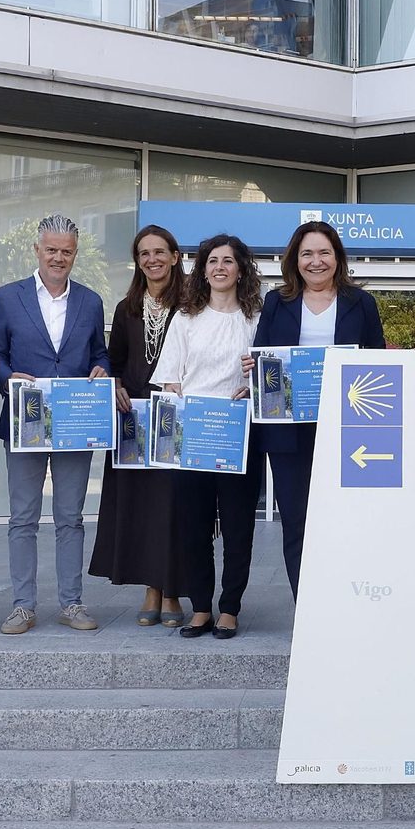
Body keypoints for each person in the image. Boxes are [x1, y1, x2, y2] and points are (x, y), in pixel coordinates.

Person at [245, 221, 386, 597]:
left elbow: (376, 366)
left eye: (324, 252)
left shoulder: (362, 304)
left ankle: (345, 598)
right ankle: (306, 604)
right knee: (296, 520)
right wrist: (254, 368)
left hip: (348, 430)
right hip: (289, 432)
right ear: (296, 259)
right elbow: (262, 355)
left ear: (337, 258)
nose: (316, 261)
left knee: (346, 518)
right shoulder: (277, 301)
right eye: (307, 253)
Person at [0, 213, 110, 635]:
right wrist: (6, 377)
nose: (59, 257)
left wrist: (99, 369)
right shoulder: (7, 297)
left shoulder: (91, 301)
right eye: (52, 249)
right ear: (37, 250)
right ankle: (23, 606)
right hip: (26, 420)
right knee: (22, 517)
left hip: (75, 422)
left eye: (67, 251)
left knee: (70, 517)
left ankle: (71, 603)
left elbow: (101, 353)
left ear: (75, 254)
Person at [153, 234, 264, 640]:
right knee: (193, 527)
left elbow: (269, 375)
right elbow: (169, 377)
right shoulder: (185, 317)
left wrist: (255, 389)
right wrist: (173, 395)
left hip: (239, 433)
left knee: (238, 528)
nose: (219, 267)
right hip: (194, 436)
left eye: (228, 261)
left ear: (240, 270)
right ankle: (201, 607)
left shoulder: (257, 318)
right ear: (202, 269)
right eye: (211, 261)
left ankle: (230, 608)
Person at [90, 225, 188, 627]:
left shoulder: (193, 303)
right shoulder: (126, 307)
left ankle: (173, 590)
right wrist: (111, 381)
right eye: (144, 253)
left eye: (160, 252)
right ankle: (151, 588)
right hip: (134, 422)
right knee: (141, 508)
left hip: (177, 418)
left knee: (175, 507)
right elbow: (113, 360)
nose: (152, 260)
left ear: (175, 256)